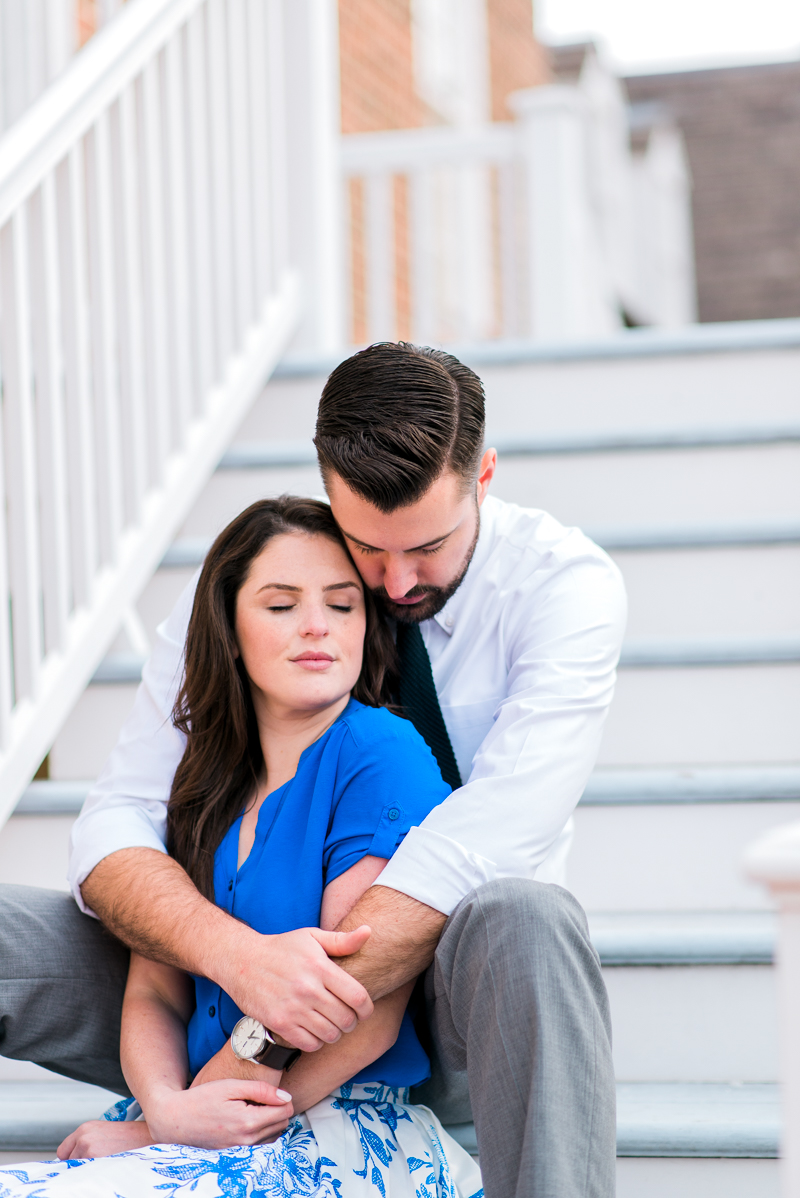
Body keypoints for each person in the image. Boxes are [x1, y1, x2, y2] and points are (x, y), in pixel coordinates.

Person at [0, 342, 626, 1198]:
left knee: (527, 916)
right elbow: (121, 821)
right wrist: (235, 960)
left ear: (482, 476)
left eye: (428, 548)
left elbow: (486, 842)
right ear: (329, 485)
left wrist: (200, 1100)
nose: (395, 583)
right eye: (368, 548)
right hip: (220, 977)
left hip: (432, 1000)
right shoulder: (262, 585)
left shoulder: (562, 590)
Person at [0, 497, 482, 1197]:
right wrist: (163, 1107)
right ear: (229, 630)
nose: (316, 625)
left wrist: (165, 1131)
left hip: (321, 1127)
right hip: (191, 1111)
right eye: (281, 605)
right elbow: (156, 991)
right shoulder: (205, 778)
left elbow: (362, 1008)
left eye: (343, 606)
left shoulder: (382, 754)